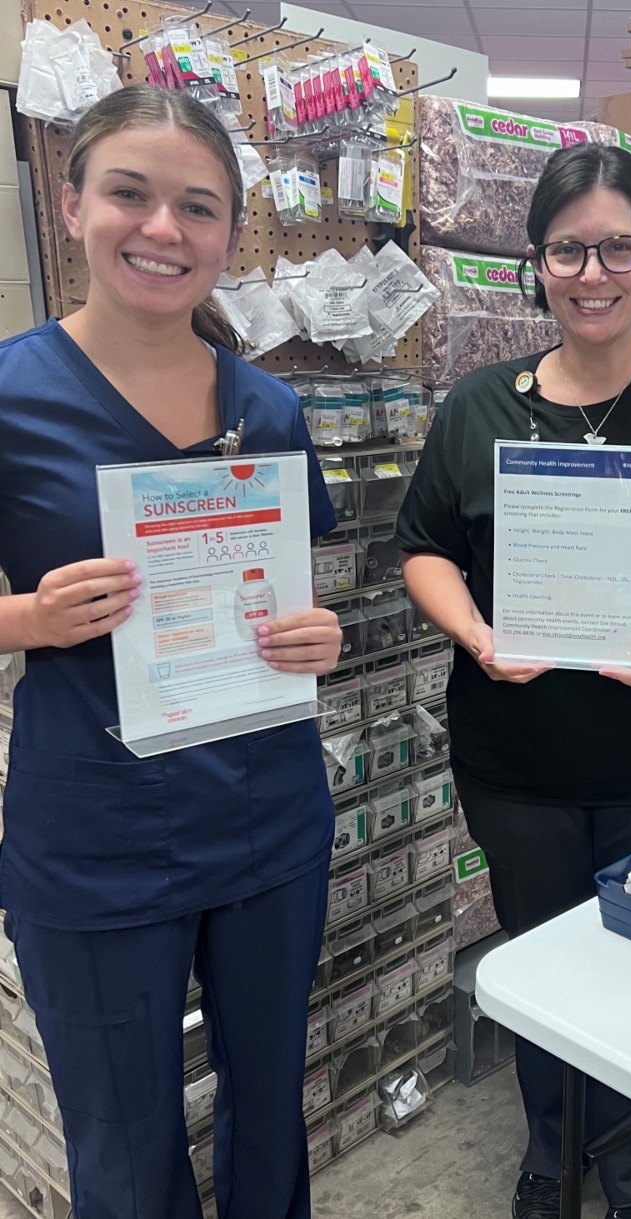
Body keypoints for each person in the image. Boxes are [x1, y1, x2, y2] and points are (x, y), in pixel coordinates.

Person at [395, 144, 631, 1219]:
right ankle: (549, 1148)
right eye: (569, 248)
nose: (593, 271)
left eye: (618, 246)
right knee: (546, 970)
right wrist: (474, 630)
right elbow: (422, 546)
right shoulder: (477, 408)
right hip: (517, 767)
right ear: (537, 261)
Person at [0, 87, 341, 1219]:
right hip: (96, 832)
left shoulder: (271, 408)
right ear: (70, 207)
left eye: (197, 207)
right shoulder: (11, 398)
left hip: (267, 813)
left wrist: (315, 633)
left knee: (268, 1116)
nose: (162, 229)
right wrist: (25, 622)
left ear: (230, 235)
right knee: (124, 1144)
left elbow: (291, 592)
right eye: (129, 194)